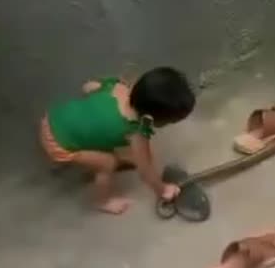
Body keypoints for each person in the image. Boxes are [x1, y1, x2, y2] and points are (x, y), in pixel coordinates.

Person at [39, 66, 196, 214]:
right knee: (108, 163)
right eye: (170, 122)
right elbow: (145, 170)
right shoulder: (135, 131)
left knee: (104, 130)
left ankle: (90, 140)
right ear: (149, 119)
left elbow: (87, 87)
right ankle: (102, 201)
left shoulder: (118, 87)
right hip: (58, 143)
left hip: (53, 118)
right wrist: (163, 189)